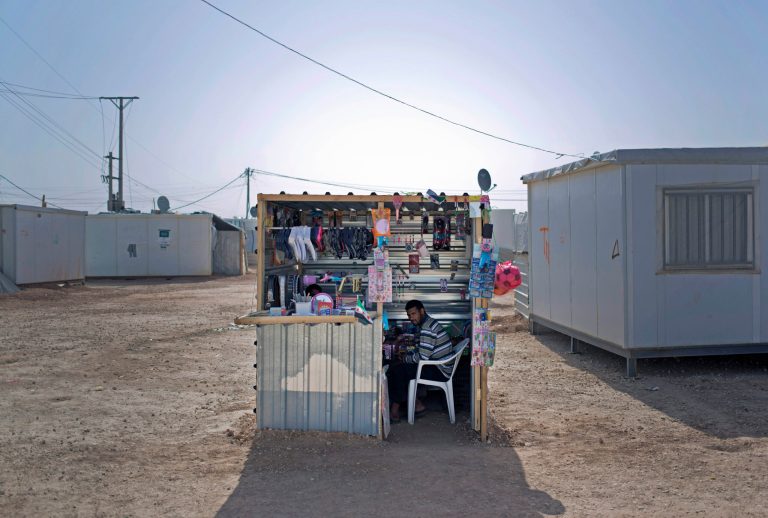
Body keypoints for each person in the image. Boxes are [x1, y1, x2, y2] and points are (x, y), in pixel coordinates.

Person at [387, 299, 454, 423]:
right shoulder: (427, 324)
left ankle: (395, 410)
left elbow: (423, 357)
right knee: (400, 367)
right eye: (409, 315)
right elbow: (422, 350)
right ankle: (417, 405)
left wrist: (405, 358)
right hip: (437, 366)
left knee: (398, 371)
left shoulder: (427, 328)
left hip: (440, 371)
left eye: (413, 314)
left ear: (422, 311)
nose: (411, 318)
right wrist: (407, 356)